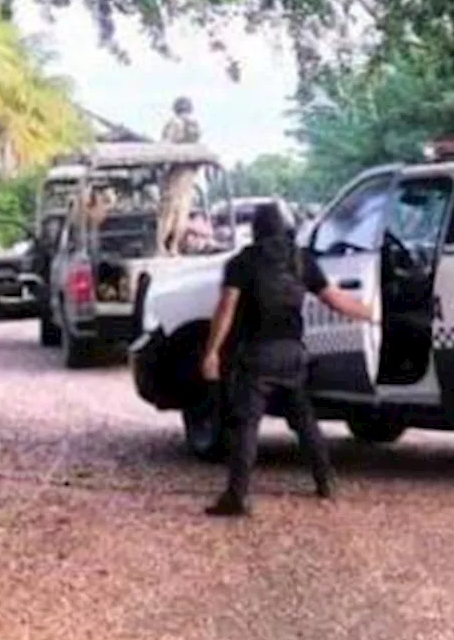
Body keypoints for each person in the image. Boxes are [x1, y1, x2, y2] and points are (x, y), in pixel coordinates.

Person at [199, 203, 373, 517]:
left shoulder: (242, 262)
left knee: (246, 425)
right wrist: (372, 316)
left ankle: (237, 496)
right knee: (305, 422)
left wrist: (212, 351)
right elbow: (335, 300)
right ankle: (326, 482)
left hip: (256, 355)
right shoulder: (301, 259)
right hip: (293, 354)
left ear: (256, 229)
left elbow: (225, 309)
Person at [158, 96, 202, 256]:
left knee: (168, 212)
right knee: (183, 211)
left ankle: (160, 247)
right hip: (190, 172)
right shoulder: (195, 126)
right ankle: (174, 247)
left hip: (176, 170)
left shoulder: (174, 123)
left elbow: (165, 146)